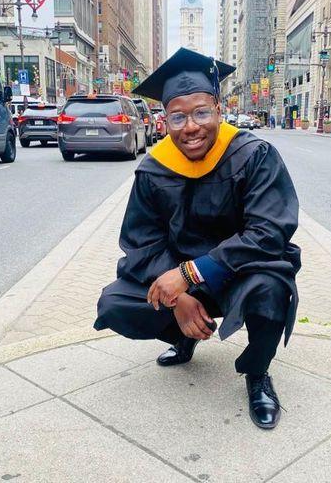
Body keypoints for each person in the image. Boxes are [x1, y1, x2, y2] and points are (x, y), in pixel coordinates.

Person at [94, 48, 301, 430]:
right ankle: (185, 335)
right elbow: (142, 243)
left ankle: (258, 373)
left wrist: (191, 274)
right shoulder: (155, 169)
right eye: (178, 116)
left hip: (242, 274)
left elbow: (268, 232)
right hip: (182, 281)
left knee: (271, 289)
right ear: (165, 120)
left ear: (219, 111)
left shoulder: (254, 156)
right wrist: (178, 298)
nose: (190, 127)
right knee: (115, 301)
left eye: (201, 112)